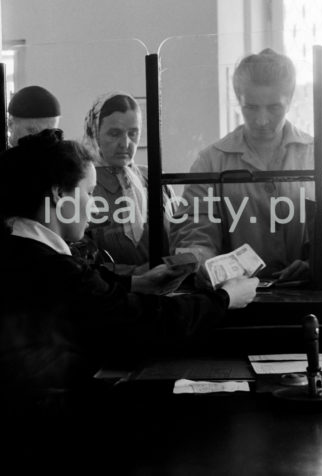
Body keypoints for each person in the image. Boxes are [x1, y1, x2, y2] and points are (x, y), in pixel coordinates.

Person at [0, 129, 258, 394]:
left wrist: (138, 283)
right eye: (89, 192)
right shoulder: (57, 272)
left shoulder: (18, 254)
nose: (94, 206)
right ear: (58, 194)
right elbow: (145, 323)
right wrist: (225, 298)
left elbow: (95, 299)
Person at [170, 48, 322, 283]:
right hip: (234, 300)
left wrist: (314, 264)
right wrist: (203, 262)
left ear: (291, 100)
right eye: (251, 108)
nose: (262, 120)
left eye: (275, 108)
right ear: (238, 100)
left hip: (311, 296)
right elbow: (195, 230)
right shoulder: (210, 161)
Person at [82, 92, 175, 273]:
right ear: (94, 133)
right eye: (114, 133)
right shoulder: (82, 185)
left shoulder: (153, 179)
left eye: (133, 133)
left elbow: (178, 238)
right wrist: (138, 275)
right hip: (112, 296)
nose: (125, 143)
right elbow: (81, 262)